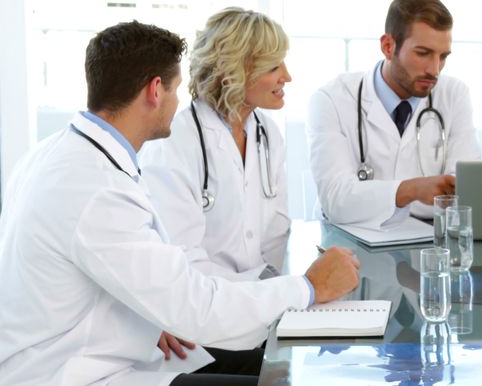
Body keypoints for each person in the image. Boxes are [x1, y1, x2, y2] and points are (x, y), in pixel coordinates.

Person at [0, 21, 360, 386]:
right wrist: (310, 286)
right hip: (76, 374)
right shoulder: (98, 188)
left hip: (85, 354)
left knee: (279, 368)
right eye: (175, 90)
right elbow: (196, 307)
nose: (179, 102)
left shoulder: (54, 155)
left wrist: (154, 315)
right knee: (286, 381)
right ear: (156, 90)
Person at [141, 8, 293, 348]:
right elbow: (184, 265)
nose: (287, 76)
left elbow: (275, 240)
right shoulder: (176, 141)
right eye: (274, 66)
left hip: (260, 313)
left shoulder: (268, 134)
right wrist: (269, 294)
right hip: (201, 326)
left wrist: (274, 296)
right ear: (235, 71)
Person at [308, 0, 482, 228]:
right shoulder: (331, 99)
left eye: (443, 56)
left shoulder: (455, 95)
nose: (435, 70)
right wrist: (410, 189)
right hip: (347, 246)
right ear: (388, 46)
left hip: (427, 243)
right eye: (423, 53)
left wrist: (373, 195)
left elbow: (464, 191)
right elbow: (335, 199)